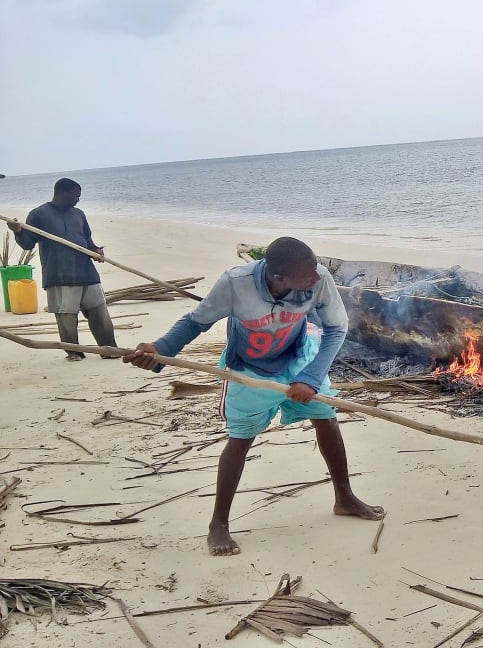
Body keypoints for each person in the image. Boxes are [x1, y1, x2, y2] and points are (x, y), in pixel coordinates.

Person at [125, 237, 383, 556]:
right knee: (241, 437)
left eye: (316, 269)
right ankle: (218, 524)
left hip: (298, 359)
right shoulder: (236, 284)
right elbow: (195, 322)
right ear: (279, 278)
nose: (317, 278)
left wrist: (312, 377)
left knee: (326, 418)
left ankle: (344, 497)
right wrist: (160, 350)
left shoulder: (319, 278)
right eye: (308, 274)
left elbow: (335, 329)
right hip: (249, 369)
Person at [6, 178, 116, 360]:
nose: (78, 200)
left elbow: (87, 241)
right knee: (66, 316)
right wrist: (17, 230)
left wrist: (96, 251)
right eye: (75, 195)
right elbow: (27, 244)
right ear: (62, 193)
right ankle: (74, 352)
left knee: (99, 310)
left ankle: (109, 349)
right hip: (58, 274)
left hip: (86, 272)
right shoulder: (39, 214)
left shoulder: (79, 214)